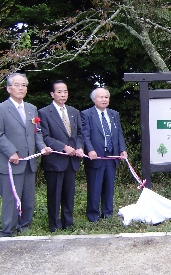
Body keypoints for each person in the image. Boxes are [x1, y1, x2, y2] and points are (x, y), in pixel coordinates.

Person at [0, 73, 52, 237]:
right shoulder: (2, 108)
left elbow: (37, 133)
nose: (21, 88)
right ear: (9, 88)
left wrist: (43, 147)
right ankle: (8, 229)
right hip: (10, 162)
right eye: (17, 85)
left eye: (23, 85)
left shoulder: (31, 108)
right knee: (10, 198)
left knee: (28, 197)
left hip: (29, 161)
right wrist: (11, 152)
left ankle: (24, 226)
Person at [38, 80, 84, 232]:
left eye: (65, 91)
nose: (63, 94)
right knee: (54, 194)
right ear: (52, 94)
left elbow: (79, 134)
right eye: (59, 92)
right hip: (55, 160)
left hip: (72, 161)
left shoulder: (74, 112)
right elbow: (45, 136)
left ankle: (68, 223)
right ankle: (54, 224)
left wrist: (79, 147)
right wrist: (64, 147)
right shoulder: (44, 112)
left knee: (69, 193)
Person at [81, 87, 127, 222]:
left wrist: (122, 149)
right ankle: (93, 215)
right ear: (94, 99)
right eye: (101, 97)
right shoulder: (86, 114)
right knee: (95, 187)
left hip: (111, 156)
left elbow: (119, 133)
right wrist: (89, 150)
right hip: (95, 156)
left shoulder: (114, 114)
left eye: (106, 97)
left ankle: (107, 213)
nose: (104, 99)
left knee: (109, 187)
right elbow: (85, 134)